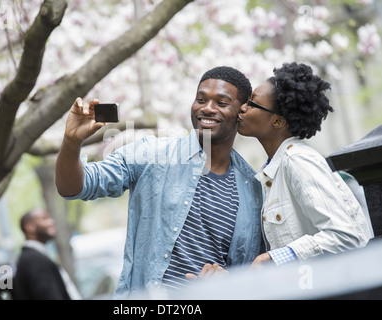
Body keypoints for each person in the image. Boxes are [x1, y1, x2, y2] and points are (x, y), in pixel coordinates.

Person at [55, 66, 264, 297]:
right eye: (200, 99)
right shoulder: (151, 154)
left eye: (221, 103)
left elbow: (253, 277)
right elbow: (74, 187)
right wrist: (71, 142)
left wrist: (227, 281)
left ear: (241, 111)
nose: (207, 108)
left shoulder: (253, 190)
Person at [236, 62, 372, 266]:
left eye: (252, 103)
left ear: (278, 122)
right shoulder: (274, 169)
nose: (242, 107)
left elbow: (345, 235)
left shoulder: (298, 161)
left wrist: (275, 258)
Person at [12, 208, 83, 300]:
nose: (51, 221)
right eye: (44, 218)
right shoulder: (34, 260)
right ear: (29, 227)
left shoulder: (33, 257)